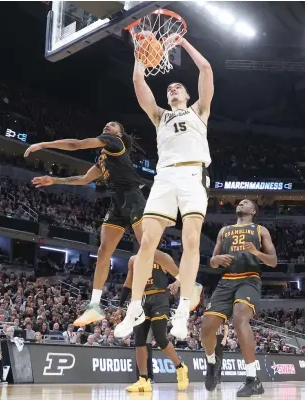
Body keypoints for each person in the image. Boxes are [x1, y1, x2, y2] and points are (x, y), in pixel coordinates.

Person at [25, 121, 178, 326]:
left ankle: (187, 281)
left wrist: (43, 144)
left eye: (113, 125)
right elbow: (84, 179)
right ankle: (95, 305)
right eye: (106, 124)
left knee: (148, 250)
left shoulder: (114, 143)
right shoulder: (103, 158)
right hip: (117, 204)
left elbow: (77, 145)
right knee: (104, 250)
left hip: (134, 200)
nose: (107, 126)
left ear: (120, 133)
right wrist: (55, 180)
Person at [117, 35, 214, 340]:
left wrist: (183, 43)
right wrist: (140, 55)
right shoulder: (160, 116)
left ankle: (183, 310)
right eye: (169, 88)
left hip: (192, 176)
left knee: (191, 242)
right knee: (147, 244)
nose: (172, 89)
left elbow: (207, 69)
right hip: (164, 178)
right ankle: (134, 307)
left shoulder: (199, 111)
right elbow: (137, 81)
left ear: (186, 95)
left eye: (178, 88)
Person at [200, 199, 277, 397]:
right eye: (240, 202)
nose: (241, 204)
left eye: (246, 203)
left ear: (253, 210)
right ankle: (212, 362)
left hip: (249, 279)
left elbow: (273, 262)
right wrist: (215, 260)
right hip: (226, 280)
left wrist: (256, 252)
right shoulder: (224, 231)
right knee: (206, 328)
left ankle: (252, 379)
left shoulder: (260, 230)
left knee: (240, 318)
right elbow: (212, 262)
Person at [120, 255, 189, 392]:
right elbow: (128, 283)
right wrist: (120, 306)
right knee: (139, 340)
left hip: (160, 298)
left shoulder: (162, 257)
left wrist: (176, 283)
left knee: (160, 338)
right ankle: (143, 379)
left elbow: (182, 275)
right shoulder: (133, 259)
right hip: (141, 299)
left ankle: (180, 367)